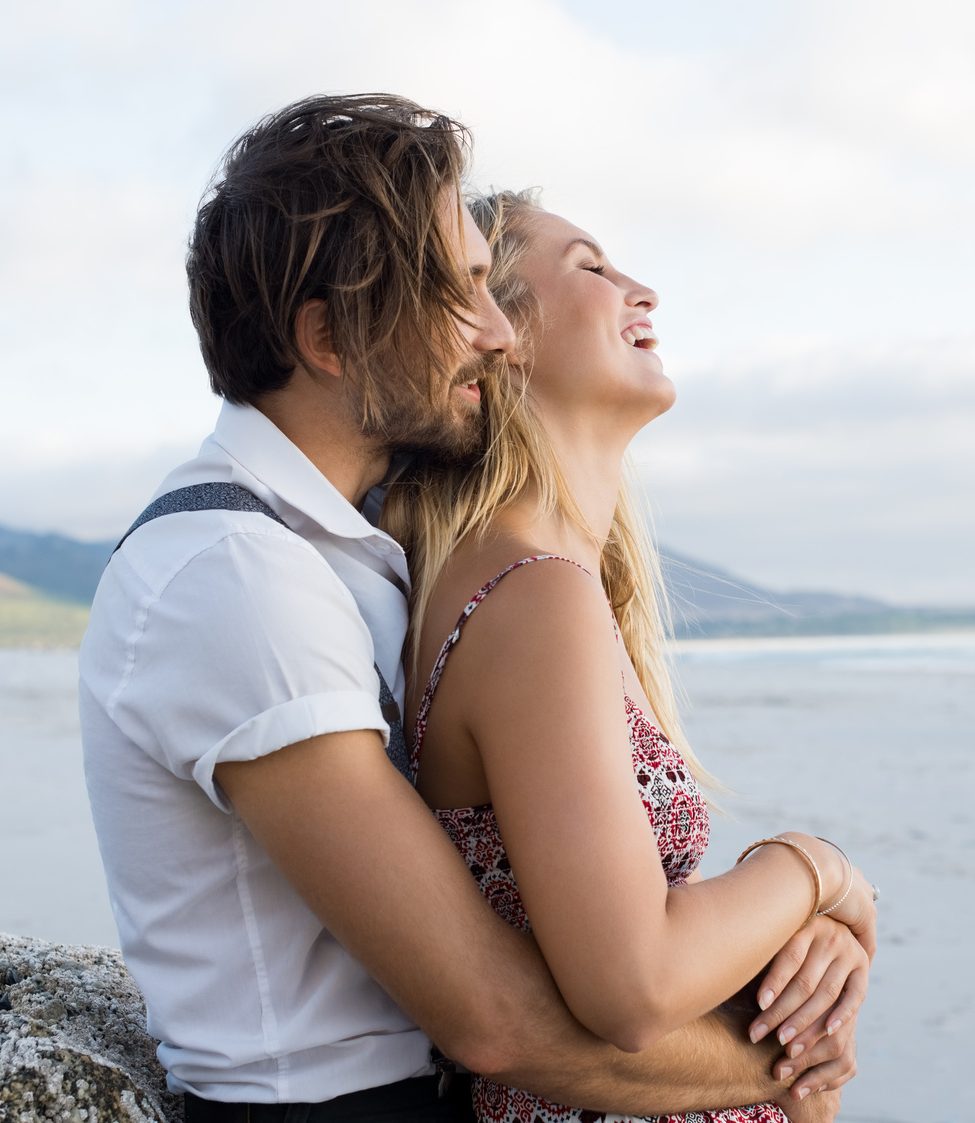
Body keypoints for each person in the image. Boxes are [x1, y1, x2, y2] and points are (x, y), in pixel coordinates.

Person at [79, 93, 862, 1123]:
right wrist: (804, 972)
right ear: (329, 335)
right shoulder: (235, 579)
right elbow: (495, 1018)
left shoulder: (352, 549)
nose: (492, 335)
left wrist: (782, 952)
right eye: (459, 295)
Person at [381, 189, 878, 1123]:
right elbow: (633, 984)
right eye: (592, 268)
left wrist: (804, 947)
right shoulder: (533, 594)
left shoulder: (554, 586)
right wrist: (816, 869)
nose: (639, 288)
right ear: (499, 331)